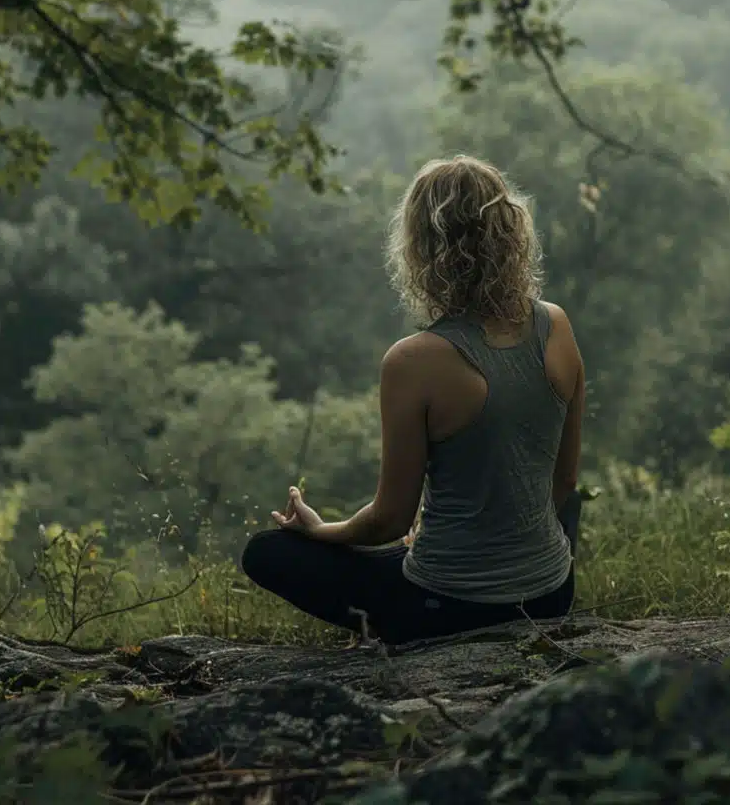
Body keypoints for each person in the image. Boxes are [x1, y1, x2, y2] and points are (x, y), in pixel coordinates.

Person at [241, 155, 586, 646]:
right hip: (552, 591)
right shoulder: (557, 326)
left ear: (422, 249)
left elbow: (390, 519)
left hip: (445, 607)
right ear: (511, 233)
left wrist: (321, 531)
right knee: (560, 509)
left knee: (266, 553)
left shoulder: (413, 361)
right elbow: (566, 481)